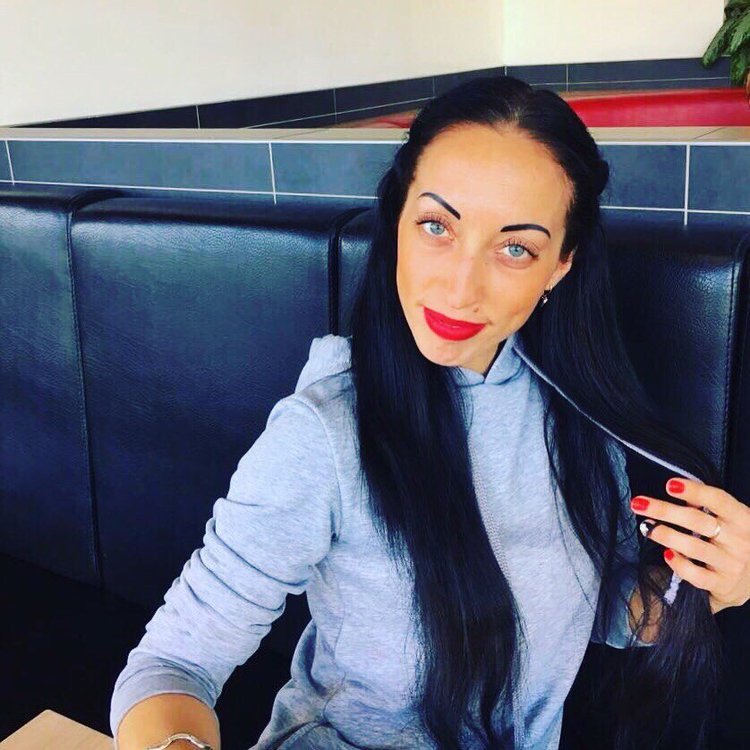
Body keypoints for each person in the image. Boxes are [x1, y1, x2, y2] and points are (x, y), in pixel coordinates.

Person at [110, 75, 750, 750]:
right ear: (399, 222)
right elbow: (173, 664)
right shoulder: (325, 432)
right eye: (437, 226)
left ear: (560, 267)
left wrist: (707, 586)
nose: (460, 286)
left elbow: (603, 608)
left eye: (515, 248)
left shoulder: (577, 410)